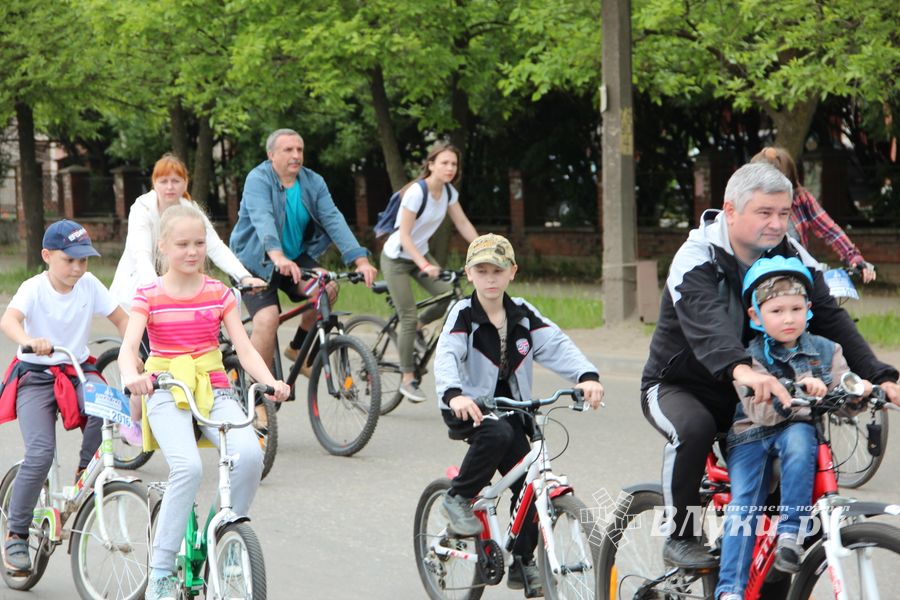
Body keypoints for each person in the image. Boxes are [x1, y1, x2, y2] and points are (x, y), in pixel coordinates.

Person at [640, 162, 899, 570]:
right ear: (730, 210)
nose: (778, 224)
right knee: (694, 429)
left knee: (785, 480)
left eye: (784, 213)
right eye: (765, 213)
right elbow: (706, 321)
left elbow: (828, 316)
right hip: (681, 386)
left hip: (757, 393)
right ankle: (679, 535)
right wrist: (742, 369)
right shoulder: (695, 256)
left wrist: (879, 374)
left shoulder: (790, 252)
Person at [118, 204, 289, 600]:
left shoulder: (218, 292)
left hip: (213, 387)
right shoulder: (149, 294)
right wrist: (132, 378)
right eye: (182, 244)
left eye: (199, 243)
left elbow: (244, 349)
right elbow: (129, 349)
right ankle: (161, 569)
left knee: (249, 455)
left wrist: (271, 382)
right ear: (163, 246)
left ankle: (226, 530)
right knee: (188, 467)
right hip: (166, 388)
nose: (193, 251)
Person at [434, 234, 605, 597]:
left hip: (513, 409)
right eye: (482, 270)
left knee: (529, 480)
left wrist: (586, 376)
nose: (490, 278)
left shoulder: (523, 314)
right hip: (469, 407)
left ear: (512, 272)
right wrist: (454, 394)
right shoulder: (462, 314)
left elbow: (556, 343)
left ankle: (523, 562)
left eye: (497, 270)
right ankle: (458, 497)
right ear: (469, 274)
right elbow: (447, 354)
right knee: (495, 436)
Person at [715, 256, 873, 600]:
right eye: (777, 311)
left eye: (796, 308)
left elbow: (844, 396)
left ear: (808, 309)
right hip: (751, 436)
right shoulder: (749, 356)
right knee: (746, 507)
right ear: (755, 316)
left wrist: (858, 392)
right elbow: (760, 411)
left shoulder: (828, 350)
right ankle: (729, 590)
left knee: (803, 438)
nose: (788, 318)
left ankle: (790, 536)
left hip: (798, 432)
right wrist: (797, 389)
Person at [0, 220, 128, 574]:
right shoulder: (34, 287)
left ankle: (86, 474)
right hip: (36, 376)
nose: (77, 268)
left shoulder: (88, 284)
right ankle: (16, 533)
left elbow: (122, 319)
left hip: (76, 369)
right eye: (69, 260)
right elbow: (9, 320)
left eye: (83, 260)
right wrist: (27, 340)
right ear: (47, 256)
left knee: (105, 407)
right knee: (39, 453)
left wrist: (136, 351)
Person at [109, 154, 265, 435]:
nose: (170, 186)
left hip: (180, 289)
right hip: (141, 291)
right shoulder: (141, 209)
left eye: (176, 180)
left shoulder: (189, 209)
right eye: (163, 180)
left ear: (185, 183)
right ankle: (130, 416)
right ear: (154, 183)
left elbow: (215, 246)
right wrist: (156, 290)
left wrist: (243, 275)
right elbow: (141, 253)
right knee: (138, 355)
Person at [229, 129, 377, 376]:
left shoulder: (313, 181)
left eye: (299, 150)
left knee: (326, 288)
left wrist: (360, 260)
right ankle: (258, 392)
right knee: (267, 319)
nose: (296, 155)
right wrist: (277, 256)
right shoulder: (258, 179)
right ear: (271, 154)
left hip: (293, 258)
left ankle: (298, 347)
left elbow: (333, 219)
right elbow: (262, 218)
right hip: (254, 261)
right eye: (288, 150)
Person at [381, 142, 479, 402]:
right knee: (408, 316)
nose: (450, 168)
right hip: (397, 257)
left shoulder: (448, 193)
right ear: (431, 164)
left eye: (454, 164)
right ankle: (407, 378)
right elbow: (403, 234)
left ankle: (417, 331)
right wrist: (424, 265)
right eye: (444, 163)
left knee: (449, 296)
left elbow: (462, 222)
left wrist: (483, 249)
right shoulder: (416, 192)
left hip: (420, 253)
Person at [750, 146, 876, 283]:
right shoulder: (748, 204)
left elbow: (831, 230)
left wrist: (854, 258)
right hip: (759, 276)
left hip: (797, 276)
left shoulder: (801, 199)